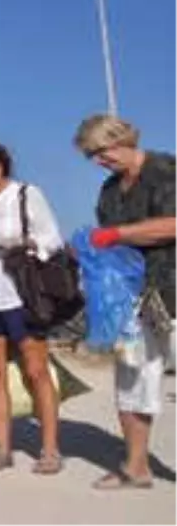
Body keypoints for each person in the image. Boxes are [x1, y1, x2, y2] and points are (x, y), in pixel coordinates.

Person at [73, 114, 177, 490]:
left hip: (174, 291)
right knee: (131, 383)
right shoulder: (109, 191)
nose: (100, 161)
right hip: (132, 301)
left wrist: (117, 233)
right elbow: (107, 243)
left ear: (122, 138)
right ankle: (136, 467)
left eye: (102, 151)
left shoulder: (166, 170)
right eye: (92, 156)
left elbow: (173, 224)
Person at [0, 139, 64, 473]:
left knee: (36, 373)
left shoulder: (25, 195)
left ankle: (49, 450)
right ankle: (2, 449)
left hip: (22, 299)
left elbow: (53, 241)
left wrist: (25, 245)